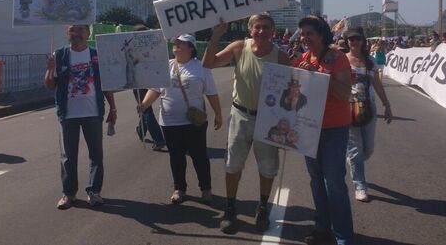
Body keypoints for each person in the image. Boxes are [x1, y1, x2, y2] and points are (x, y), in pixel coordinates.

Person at [202, 13, 290, 234]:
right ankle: (230, 209)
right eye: (258, 27)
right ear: (250, 29)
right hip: (240, 115)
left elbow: (292, 94)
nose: (262, 31)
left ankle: (262, 208)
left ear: (273, 31)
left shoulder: (281, 56)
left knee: (268, 168)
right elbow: (208, 64)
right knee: (233, 165)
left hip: (268, 120)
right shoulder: (239, 47)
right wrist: (216, 36)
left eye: (266, 27)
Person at [139, 34, 222, 204]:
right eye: (175, 42)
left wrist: (218, 114)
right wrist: (144, 104)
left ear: (191, 47)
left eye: (180, 43)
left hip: (194, 123)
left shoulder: (201, 68)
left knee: (199, 156)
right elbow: (155, 89)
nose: (176, 44)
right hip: (169, 122)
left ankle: (205, 188)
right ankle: (179, 188)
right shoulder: (165, 66)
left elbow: (211, 93)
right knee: (176, 157)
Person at [294, 16, 354, 245]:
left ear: (321, 35)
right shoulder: (302, 58)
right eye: (302, 34)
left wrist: (320, 76)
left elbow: (343, 93)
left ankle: (343, 236)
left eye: (309, 33)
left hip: (333, 129)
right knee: (316, 181)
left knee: (334, 183)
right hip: (309, 129)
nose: (304, 38)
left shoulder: (336, 58)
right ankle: (322, 228)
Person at [44, 24, 117, 209]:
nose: (76, 34)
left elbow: (105, 83)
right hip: (67, 115)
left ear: (87, 33)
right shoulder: (59, 55)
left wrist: (113, 108)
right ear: (66, 33)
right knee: (68, 156)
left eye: (80, 30)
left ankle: (94, 191)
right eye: (72, 30)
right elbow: (50, 85)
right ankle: (69, 194)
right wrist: (49, 69)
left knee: (96, 155)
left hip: (93, 113)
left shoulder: (95, 55)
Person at [344, 27, 393, 203]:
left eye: (357, 38)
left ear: (363, 41)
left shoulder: (370, 62)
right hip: (349, 108)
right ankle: (359, 185)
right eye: (351, 39)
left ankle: (353, 160)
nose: (354, 42)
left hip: (369, 108)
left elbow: (378, 84)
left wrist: (386, 105)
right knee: (356, 149)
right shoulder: (342, 60)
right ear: (347, 41)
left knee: (368, 149)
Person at [131, 24, 166, 151]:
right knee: (145, 109)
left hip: (142, 83)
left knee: (146, 111)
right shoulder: (153, 47)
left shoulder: (134, 49)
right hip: (150, 81)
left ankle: (159, 139)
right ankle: (141, 130)